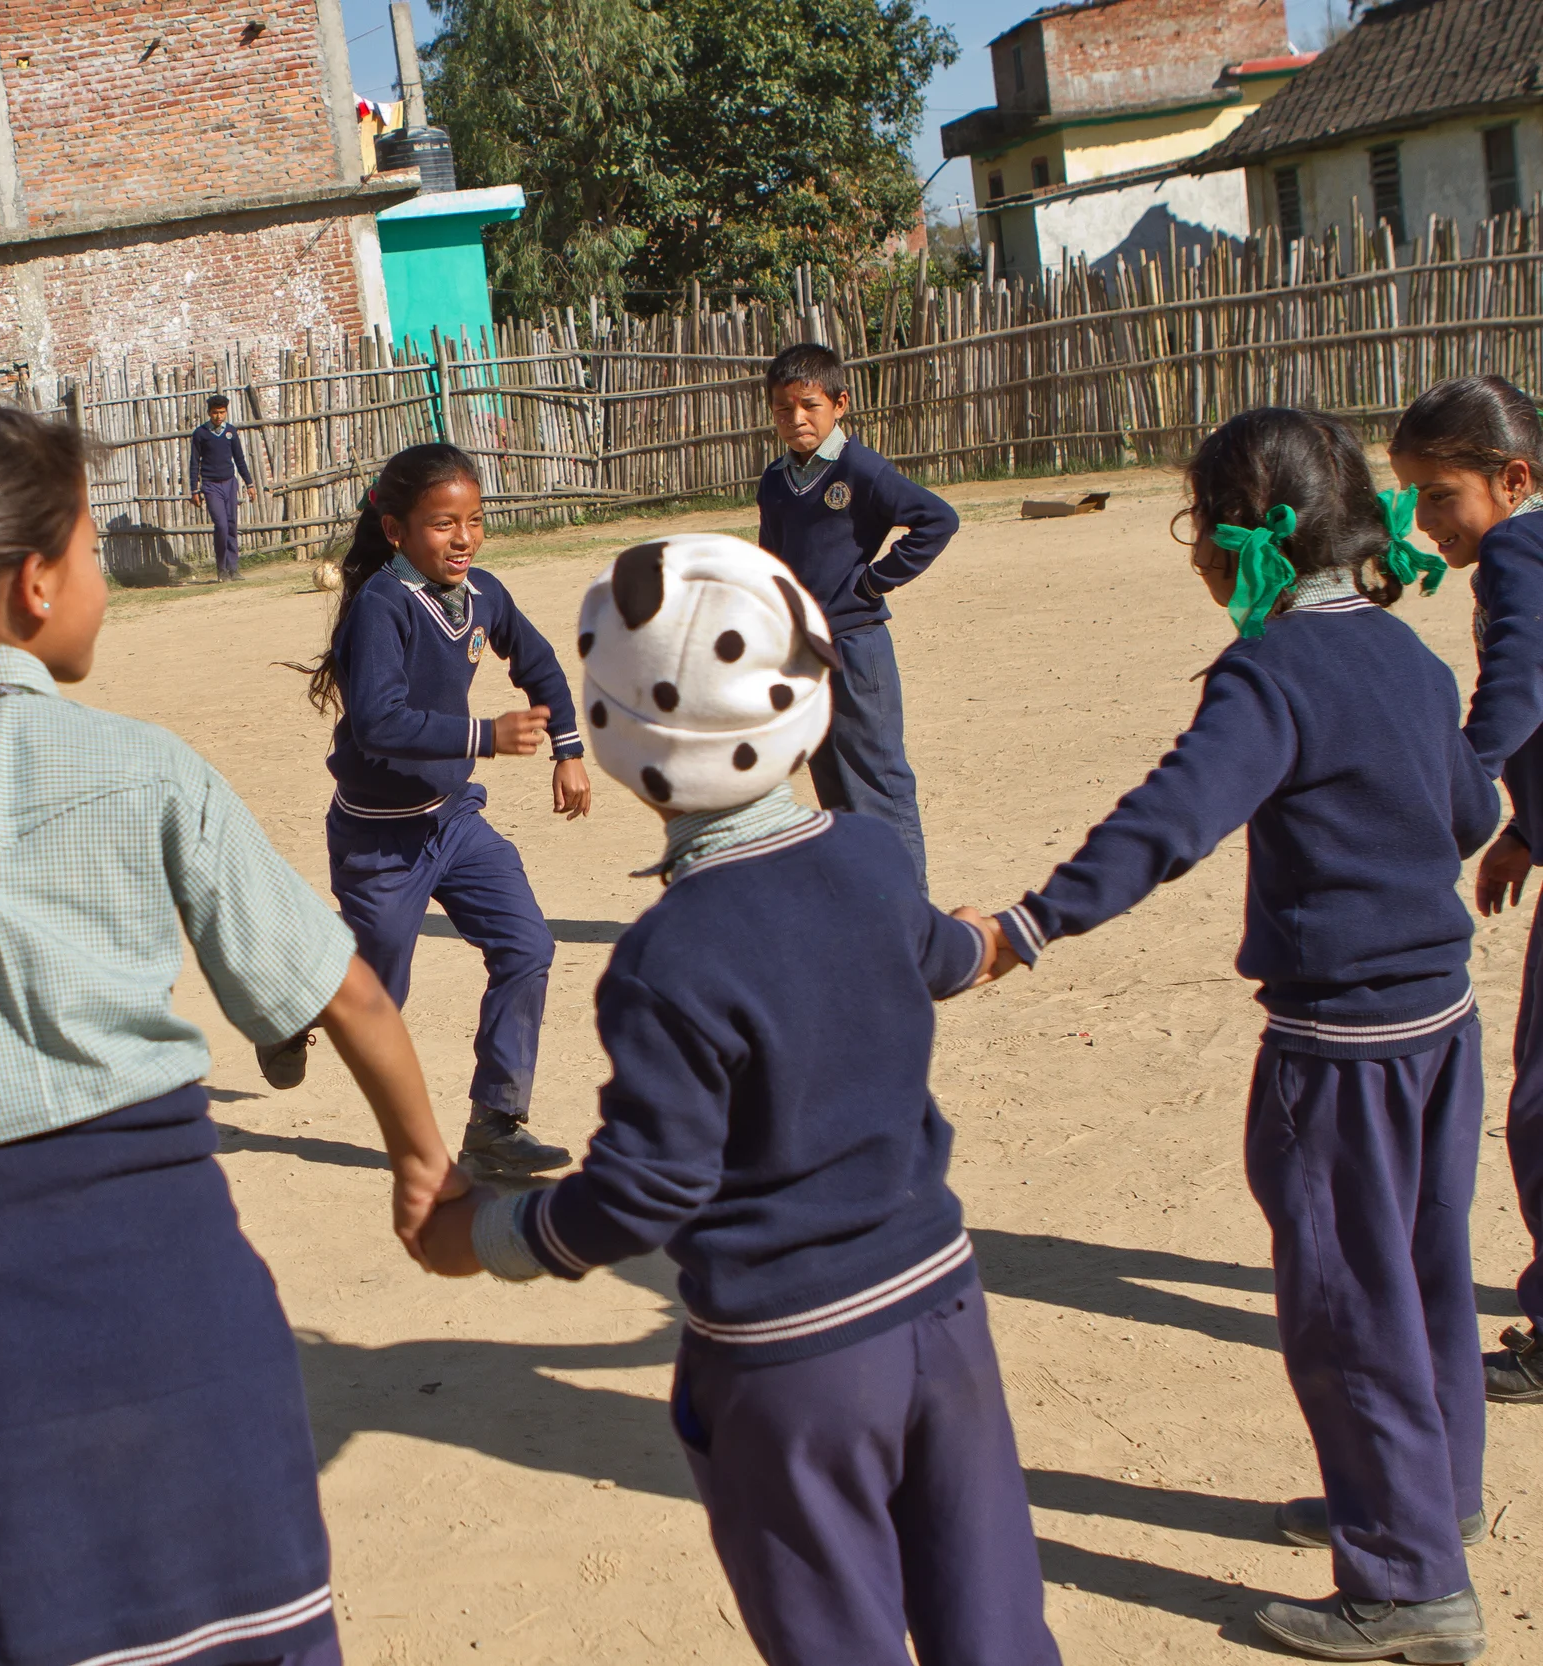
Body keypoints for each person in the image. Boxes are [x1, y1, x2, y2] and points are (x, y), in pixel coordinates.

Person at [0, 402, 456, 1666]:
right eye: (97, 548)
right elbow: (354, 1000)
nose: (104, 577)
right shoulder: (146, 769)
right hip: (187, 1317)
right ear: (36, 583)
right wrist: (421, 1163)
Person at [420, 533, 1050, 1666]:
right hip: (942, 1306)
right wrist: (989, 938)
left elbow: (651, 1185)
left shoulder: (669, 955)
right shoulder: (866, 859)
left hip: (789, 1352)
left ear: (624, 741)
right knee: (994, 1622)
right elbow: (943, 955)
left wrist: (497, 1235)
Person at [975, 409, 1494, 1661]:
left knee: (1343, 1305)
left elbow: (1170, 818)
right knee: (1421, 1275)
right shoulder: (1408, 659)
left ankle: (1406, 1579)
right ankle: (1435, 1499)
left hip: (1342, 1053)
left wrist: (1029, 923)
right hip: (1443, 1028)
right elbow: (1470, 810)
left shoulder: (1271, 675)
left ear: (1228, 544)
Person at [284, 442, 590, 1184]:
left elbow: (540, 663)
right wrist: (485, 735)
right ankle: (289, 1010)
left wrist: (569, 748)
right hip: (380, 842)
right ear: (396, 532)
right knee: (377, 997)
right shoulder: (381, 610)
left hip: (453, 821)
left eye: (475, 521)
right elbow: (379, 723)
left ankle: (496, 1124)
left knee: (526, 945)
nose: (463, 539)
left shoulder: (484, 594)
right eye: (443, 525)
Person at [1389, 372, 1543, 1407]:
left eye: (1439, 495)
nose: (1423, 520)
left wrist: (1453, 792)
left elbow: (1521, 686)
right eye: (1412, 497)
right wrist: (1526, 830)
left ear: (1512, 478)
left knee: (1538, 1108)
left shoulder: (1519, 551)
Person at [756, 342, 957, 889]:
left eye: (809, 405)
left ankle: (909, 912)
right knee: (833, 784)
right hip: (806, 655)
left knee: (877, 779)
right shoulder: (776, 481)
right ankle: (865, 906)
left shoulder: (861, 469)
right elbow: (770, 562)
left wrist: (871, 582)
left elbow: (937, 519)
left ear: (839, 403)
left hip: (856, 647)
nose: (795, 419)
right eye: (782, 409)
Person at [187, 392, 255, 581]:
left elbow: (240, 460)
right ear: (209, 413)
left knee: (232, 525)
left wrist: (249, 484)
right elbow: (194, 463)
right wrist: (194, 489)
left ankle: (233, 568)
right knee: (221, 525)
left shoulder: (230, 432)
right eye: (215, 413)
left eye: (222, 412)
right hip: (210, 486)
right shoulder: (200, 434)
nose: (219, 416)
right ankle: (222, 568)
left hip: (229, 483)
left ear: (226, 412)